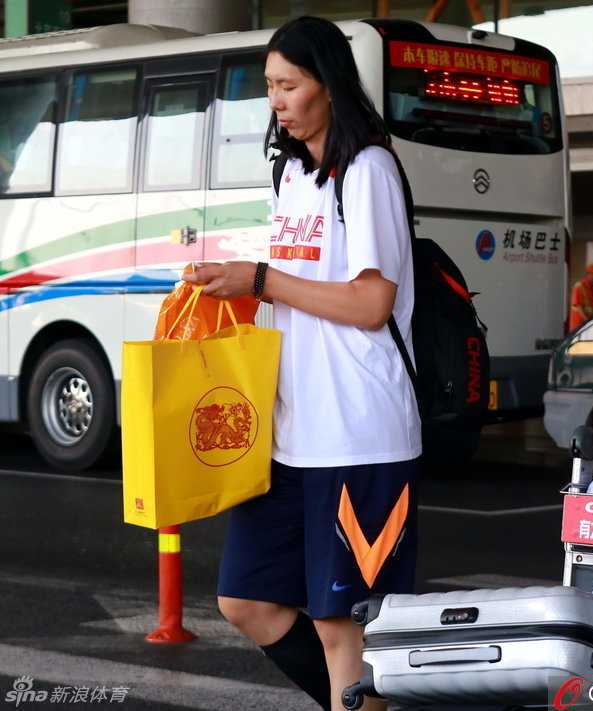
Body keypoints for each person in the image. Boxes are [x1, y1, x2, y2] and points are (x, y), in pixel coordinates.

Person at [183, 17, 421, 710]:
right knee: (246, 598)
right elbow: (294, 291)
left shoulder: (369, 170)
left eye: (288, 85)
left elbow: (372, 302)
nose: (276, 101)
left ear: (330, 85)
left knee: (340, 623)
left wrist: (261, 279)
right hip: (292, 434)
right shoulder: (290, 174)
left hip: (359, 432)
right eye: (269, 86)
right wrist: (233, 287)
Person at [569, 262, 593, 330]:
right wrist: (587, 320)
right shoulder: (579, 286)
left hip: (588, 323)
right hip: (579, 323)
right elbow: (578, 306)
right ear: (589, 274)